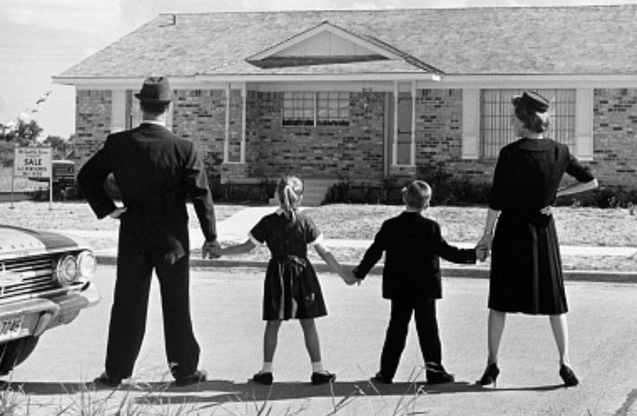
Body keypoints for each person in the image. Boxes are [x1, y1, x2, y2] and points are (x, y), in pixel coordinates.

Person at [77, 76, 219, 387]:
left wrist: (109, 208)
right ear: (169, 107)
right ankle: (184, 371)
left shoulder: (119, 144)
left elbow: (86, 177)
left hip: (133, 235)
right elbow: (201, 196)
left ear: (138, 105)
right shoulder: (184, 148)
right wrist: (211, 237)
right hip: (172, 239)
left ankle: (115, 372)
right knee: (176, 304)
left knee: (127, 303)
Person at [475, 91, 598, 388]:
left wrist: (486, 235)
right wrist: (557, 195)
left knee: (499, 303)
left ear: (524, 121)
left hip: (511, 231)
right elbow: (591, 180)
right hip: (543, 231)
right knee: (555, 302)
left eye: (514, 118)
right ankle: (565, 364)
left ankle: (492, 366)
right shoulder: (560, 151)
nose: (511, 123)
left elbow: (497, 200)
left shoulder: (510, 153)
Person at [206, 175, 355, 386]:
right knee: (308, 323)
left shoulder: (268, 222)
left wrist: (221, 252)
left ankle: (266, 371)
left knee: (273, 323)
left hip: (277, 273)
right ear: (300, 197)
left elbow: (248, 246)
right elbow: (324, 252)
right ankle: (318, 370)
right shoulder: (306, 221)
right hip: (302, 273)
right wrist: (343, 274)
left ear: (277, 195)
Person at [351, 180, 482, 385]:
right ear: (427, 203)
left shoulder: (390, 226)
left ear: (405, 198)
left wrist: (360, 272)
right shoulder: (430, 228)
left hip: (399, 287)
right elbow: (448, 252)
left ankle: (386, 373)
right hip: (425, 287)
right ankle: (434, 371)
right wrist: (473, 255)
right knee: (428, 331)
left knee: (396, 330)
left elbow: (375, 251)